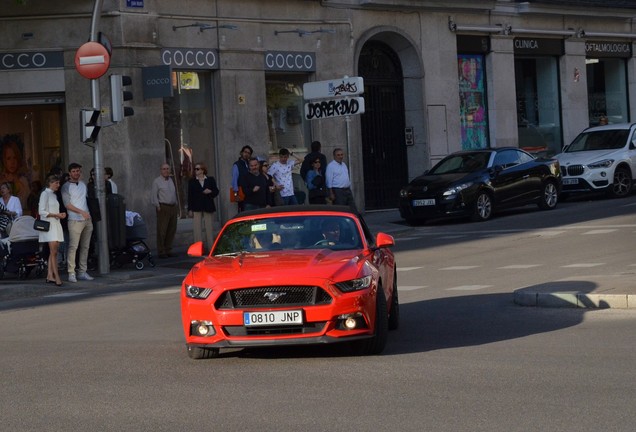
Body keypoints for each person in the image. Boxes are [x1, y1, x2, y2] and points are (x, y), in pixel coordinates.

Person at [61, 162, 94, 283]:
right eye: (74, 171)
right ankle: (71, 272)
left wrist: (87, 214)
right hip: (74, 220)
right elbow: (67, 204)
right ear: (69, 173)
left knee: (85, 247)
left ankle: (82, 271)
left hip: (87, 219)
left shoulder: (83, 184)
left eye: (78, 171)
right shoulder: (65, 187)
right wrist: (82, 212)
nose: (76, 173)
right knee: (73, 247)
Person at [38, 174, 66, 286]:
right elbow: (41, 211)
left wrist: (58, 215)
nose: (58, 185)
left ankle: (50, 275)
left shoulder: (53, 195)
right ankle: (56, 277)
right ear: (50, 183)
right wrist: (57, 215)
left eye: (58, 183)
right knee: (53, 252)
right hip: (50, 226)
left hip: (55, 224)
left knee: (53, 251)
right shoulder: (45, 194)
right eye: (56, 183)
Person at [187, 162, 219, 251]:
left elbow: (216, 191)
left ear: (202, 170)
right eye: (195, 169)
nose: (195, 170)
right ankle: (198, 249)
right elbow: (190, 196)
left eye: (197, 169)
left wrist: (210, 192)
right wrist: (190, 209)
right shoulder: (192, 181)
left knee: (209, 228)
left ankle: (211, 248)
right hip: (196, 206)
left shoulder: (210, 179)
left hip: (208, 205)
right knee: (197, 229)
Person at [151, 163, 178, 258]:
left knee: (171, 229)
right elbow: (154, 195)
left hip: (173, 207)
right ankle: (161, 251)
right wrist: (158, 206)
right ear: (160, 170)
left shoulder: (171, 180)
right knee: (162, 230)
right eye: (164, 169)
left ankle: (168, 249)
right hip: (163, 207)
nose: (166, 170)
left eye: (167, 169)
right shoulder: (157, 181)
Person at [0, 137, 29, 209]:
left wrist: (16, 181)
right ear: (4, 160)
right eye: (8, 158)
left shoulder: (23, 180)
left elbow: (25, 203)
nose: (12, 162)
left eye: (15, 157)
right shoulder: (1, 181)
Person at [231, 145, 253, 212]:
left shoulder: (250, 164)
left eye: (248, 153)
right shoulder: (237, 165)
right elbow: (234, 180)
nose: (246, 154)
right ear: (241, 153)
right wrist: (236, 194)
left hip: (250, 192)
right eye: (245, 152)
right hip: (241, 193)